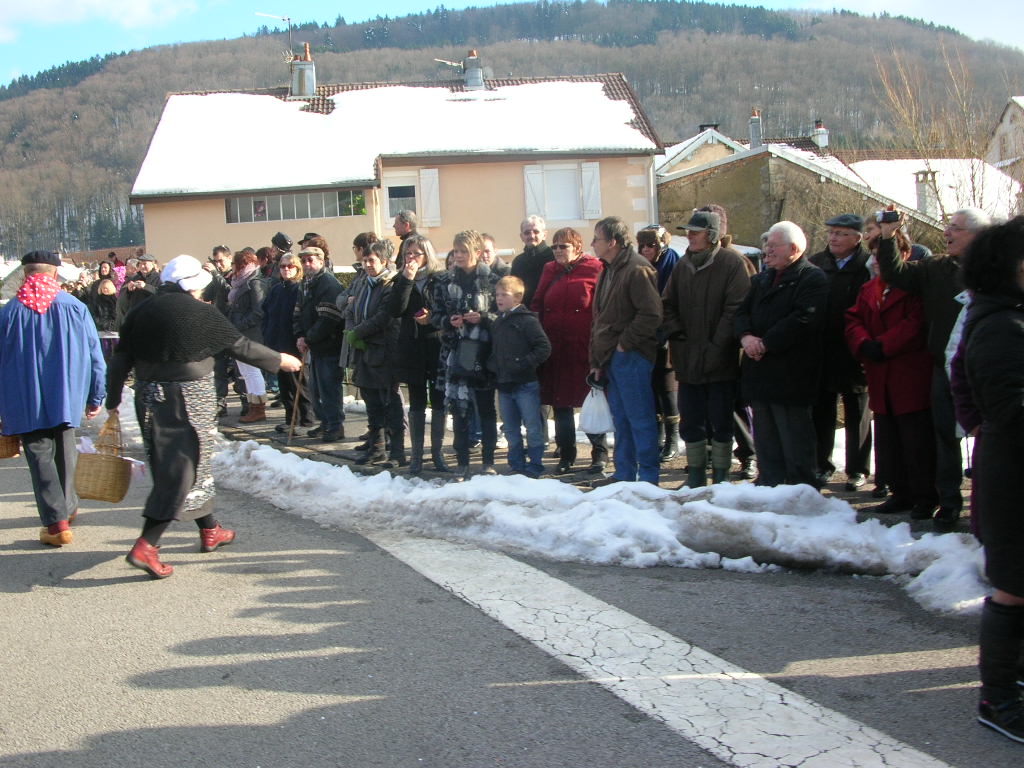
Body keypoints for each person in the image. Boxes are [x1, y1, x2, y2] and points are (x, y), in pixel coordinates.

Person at [106, 255, 301, 578]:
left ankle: (210, 529)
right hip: (186, 398)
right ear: (193, 285)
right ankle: (147, 544)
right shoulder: (199, 312)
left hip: (148, 397)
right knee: (181, 468)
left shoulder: (141, 310)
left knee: (192, 462)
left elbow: (121, 357)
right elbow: (239, 345)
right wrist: (280, 360)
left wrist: (113, 397)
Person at [877, 207, 991, 532]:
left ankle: (986, 506)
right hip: (944, 370)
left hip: (985, 373)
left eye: (955, 228)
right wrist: (888, 236)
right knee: (944, 438)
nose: (947, 233)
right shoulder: (937, 268)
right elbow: (896, 274)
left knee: (987, 440)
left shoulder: (997, 271)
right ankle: (949, 503)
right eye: (948, 227)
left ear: (978, 235)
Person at [959, 215, 1024, 743]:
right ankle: (997, 698)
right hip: (1013, 475)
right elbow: (1009, 407)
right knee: (1014, 589)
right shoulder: (1001, 324)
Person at [0, 250, 106, 547]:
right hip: (67, 394)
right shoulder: (74, 307)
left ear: (24, 275)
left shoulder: (9, 313)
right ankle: (67, 511)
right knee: (65, 451)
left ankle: (55, 521)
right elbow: (94, 354)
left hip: (24, 398)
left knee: (40, 457)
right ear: (55, 274)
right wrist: (96, 394)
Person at [844, 228, 937, 518]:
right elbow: (853, 319)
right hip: (880, 376)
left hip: (908, 375)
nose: (875, 261)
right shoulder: (868, 289)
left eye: (880, 255)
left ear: (903, 255)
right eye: (872, 255)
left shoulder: (914, 288)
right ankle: (899, 491)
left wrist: (883, 345)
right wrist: (863, 343)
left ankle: (924, 495)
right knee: (888, 440)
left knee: (916, 441)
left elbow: (915, 324)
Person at [734, 221, 828, 488]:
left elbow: (804, 318)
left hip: (791, 375)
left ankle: (801, 490)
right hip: (759, 373)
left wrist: (765, 344)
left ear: (794, 249)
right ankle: (769, 485)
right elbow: (740, 314)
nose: (767, 250)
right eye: (767, 245)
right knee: (766, 438)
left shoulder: (812, 278)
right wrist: (747, 338)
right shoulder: (761, 279)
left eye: (774, 246)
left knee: (794, 438)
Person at [663, 210, 751, 487]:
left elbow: (735, 309)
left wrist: (717, 346)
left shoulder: (731, 263)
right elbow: (667, 303)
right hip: (687, 359)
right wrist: (676, 331)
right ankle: (697, 475)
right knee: (691, 422)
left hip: (720, 360)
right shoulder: (683, 264)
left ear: (712, 236)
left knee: (721, 421)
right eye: (688, 231)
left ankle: (722, 476)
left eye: (695, 231)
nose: (689, 235)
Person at [588, 216, 663, 485]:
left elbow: (651, 315)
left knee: (640, 419)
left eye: (597, 238)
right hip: (611, 358)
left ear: (613, 242)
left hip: (631, 356)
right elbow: (600, 320)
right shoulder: (607, 269)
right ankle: (624, 476)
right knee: (621, 419)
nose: (592, 243)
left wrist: (624, 344)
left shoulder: (637, 268)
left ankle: (648, 480)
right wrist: (597, 360)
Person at [532, 227, 608, 475]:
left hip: (584, 347)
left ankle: (600, 454)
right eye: (554, 246)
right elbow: (538, 303)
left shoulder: (595, 268)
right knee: (560, 403)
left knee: (592, 400)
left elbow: (602, 308)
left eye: (562, 246)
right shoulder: (548, 269)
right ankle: (567, 454)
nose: (557, 251)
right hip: (555, 347)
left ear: (577, 246)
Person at [808, 214, 873, 491]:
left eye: (841, 233)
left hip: (854, 350)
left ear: (857, 238)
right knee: (822, 410)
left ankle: (858, 469)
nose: (833, 238)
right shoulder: (816, 264)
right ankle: (822, 465)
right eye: (832, 232)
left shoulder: (866, 266)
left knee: (858, 411)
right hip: (822, 349)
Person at [431, 230, 501, 480]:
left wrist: (483, 318)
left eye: (464, 251)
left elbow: (503, 315)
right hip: (456, 351)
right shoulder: (444, 282)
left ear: (477, 253)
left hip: (483, 352)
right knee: (459, 411)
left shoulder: (493, 280)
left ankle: (488, 462)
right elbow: (435, 316)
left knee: (486, 409)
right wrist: (450, 321)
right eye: (456, 251)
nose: (459, 256)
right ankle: (462, 463)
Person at [389, 234, 449, 475]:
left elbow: (447, 310)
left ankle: (437, 453)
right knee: (416, 400)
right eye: (407, 254)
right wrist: (406, 279)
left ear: (427, 255)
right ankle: (416, 455)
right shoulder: (401, 279)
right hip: (411, 346)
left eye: (415, 253)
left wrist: (431, 318)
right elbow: (396, 309)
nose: (411, 258)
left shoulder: (439, 279)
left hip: (435, 344)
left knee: (439, 399)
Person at [346, 241, 404, 467]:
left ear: (384, 262)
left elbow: (384, 317)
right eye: (365, 260)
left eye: (372, 261)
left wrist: (358, 332)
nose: (368, 265)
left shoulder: (390, 285)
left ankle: (397, 451)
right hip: (365, 352)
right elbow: (352, 310)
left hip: (384, 352)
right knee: (372, 404)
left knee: (389, 404)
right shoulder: (363, 284)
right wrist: (353, 331)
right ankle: (377, 447)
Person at [490, 275, 552, 477]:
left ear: (517, 298)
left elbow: (544, 347)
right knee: (510, 428)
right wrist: (493, 365)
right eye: (497, 294)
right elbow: (495, 350)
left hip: (525, 383)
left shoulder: (527, 320)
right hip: (505, 384)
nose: (499, 298)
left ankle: (535, 464)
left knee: (532, 426)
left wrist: (523, 364)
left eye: (504, 295)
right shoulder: (498, 321)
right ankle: (516, 463)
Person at [293, 245, 346, 442]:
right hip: (313, 346)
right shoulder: (305, 283)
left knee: (329, 388)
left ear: (321, 262)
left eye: (311, 260)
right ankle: (324, 423)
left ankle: (335, 425)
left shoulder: (328, 284)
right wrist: (299, 335)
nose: (307, 264)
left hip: (329, 346)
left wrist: (309, 338)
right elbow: (297, 312)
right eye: (304, 260)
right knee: (315, 390)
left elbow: (329, 319)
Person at [637, 226, 681, 462]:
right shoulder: (640, 266)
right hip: (644, 336)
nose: (645, 250)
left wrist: (665, 332)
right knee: (650, 387)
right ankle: (658, 437)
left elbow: (672, 300)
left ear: (661, 245)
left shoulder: (672, 263)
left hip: (666, 335)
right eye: (642, 245)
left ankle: (673, 438)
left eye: (650, 245)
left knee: (666, 387)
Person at [263, 252, 313, 433]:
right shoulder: (276, 289)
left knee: (298, 383)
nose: (286, 269)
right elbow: (266, 312)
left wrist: (302, 337)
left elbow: (303, 316)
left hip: (293, 343)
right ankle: (290, 418)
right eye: (283, 266)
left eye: (290, 266)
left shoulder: (299, 289)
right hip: (276, 342)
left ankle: (306, 419)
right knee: (284, 386)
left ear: (297, 269)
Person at [227, 250, 270, 423]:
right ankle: (254, 406)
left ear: (241, 264)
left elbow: (258, 311)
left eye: (234, 264)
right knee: (246, 372)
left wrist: (239, 325)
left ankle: (258, 408)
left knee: (252, 372)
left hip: (250, 333)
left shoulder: (255, 283)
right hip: (240, 332)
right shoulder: (241, 281)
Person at [203, 245, 237, 417]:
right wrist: (209, 277)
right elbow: (207, 296)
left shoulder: (234, 275)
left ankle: (247, 401)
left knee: (239, 369)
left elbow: (229, 292)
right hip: (217, 326)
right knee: (219, 367)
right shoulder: (216, 276)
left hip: (233, 325)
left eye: (221, 261)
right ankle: (220, 402)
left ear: (229, 258)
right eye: (216, 261)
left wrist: (216, 275)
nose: (219, 264)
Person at [511, 215, 554, 307]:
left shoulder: (554, 257)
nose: (531, 236)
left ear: (544, 235)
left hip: (549, 313)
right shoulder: (518, 261)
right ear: (521, 236)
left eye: (536, 231)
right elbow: (513, 290)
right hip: (524, 314)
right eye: (527, 233)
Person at [116, 253, 160, 325]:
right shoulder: (135, 278)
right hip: (136, 317)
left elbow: (162, 294)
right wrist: (128, 290)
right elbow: (125, 300)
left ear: (153, 264)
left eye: (145, 264)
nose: (142, 266)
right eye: (140, 264)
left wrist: (145, 287)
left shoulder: (159, 278)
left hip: (152, 318)